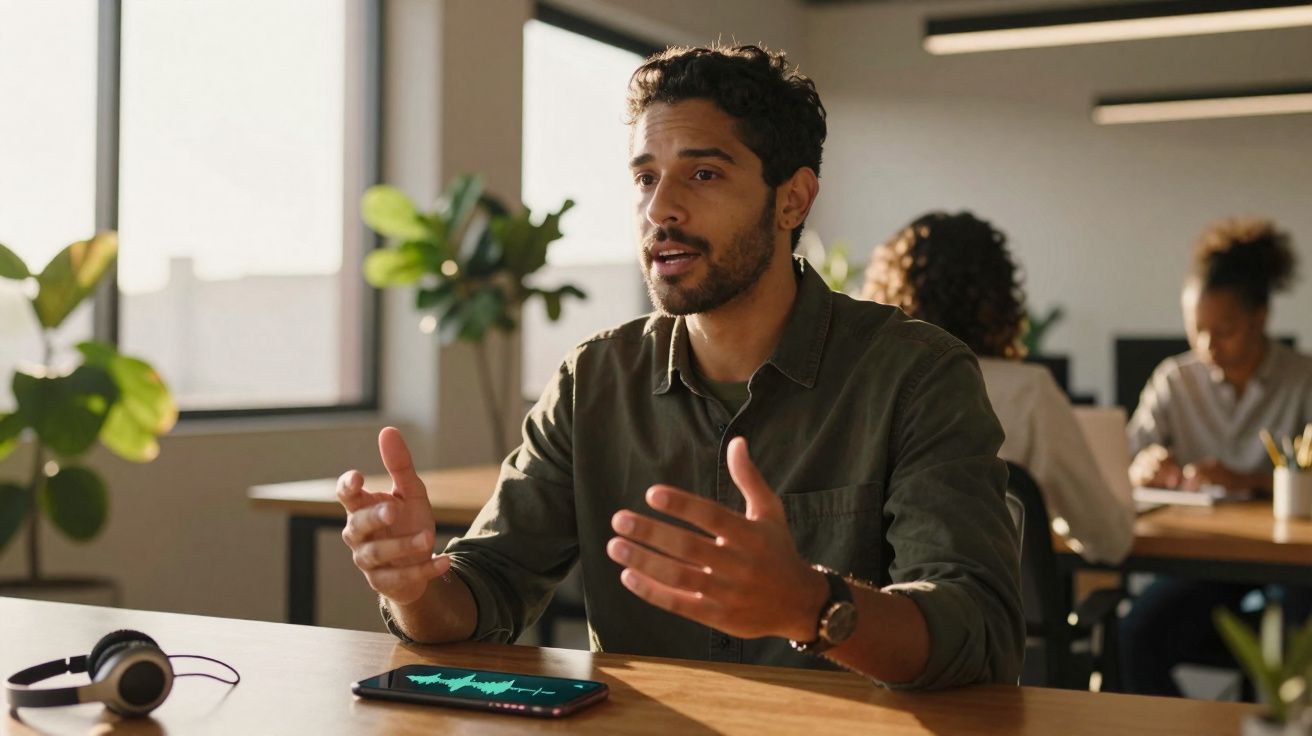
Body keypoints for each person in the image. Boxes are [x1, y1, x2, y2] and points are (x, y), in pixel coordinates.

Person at [337, 44, 1023, 690]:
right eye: (645, 178)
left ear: (792, 199)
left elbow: (977, 634)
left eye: (703, 173)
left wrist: (812, 606)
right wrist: (416, 586)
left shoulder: (916, 373)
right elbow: (486, 588)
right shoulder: (594, 380)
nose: (659, 208)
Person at [862, 211, 1135, 565]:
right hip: (994, 615)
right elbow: (1109, 542)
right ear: (999, 301)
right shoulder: (1029, 393)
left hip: (879, 612)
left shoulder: (868, 387)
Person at [1121, 217, 1312, 697]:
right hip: (1201, 561)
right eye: (1196, 330)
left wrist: (1247, 479)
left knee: (1289, 650)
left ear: (1260, 317)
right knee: (1134, 636)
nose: (1207, 346)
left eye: (1223, 331)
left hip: (1290, 563)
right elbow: (1126, 458)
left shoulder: (1303, 379)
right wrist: (1144, 467)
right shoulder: (1174, 380)